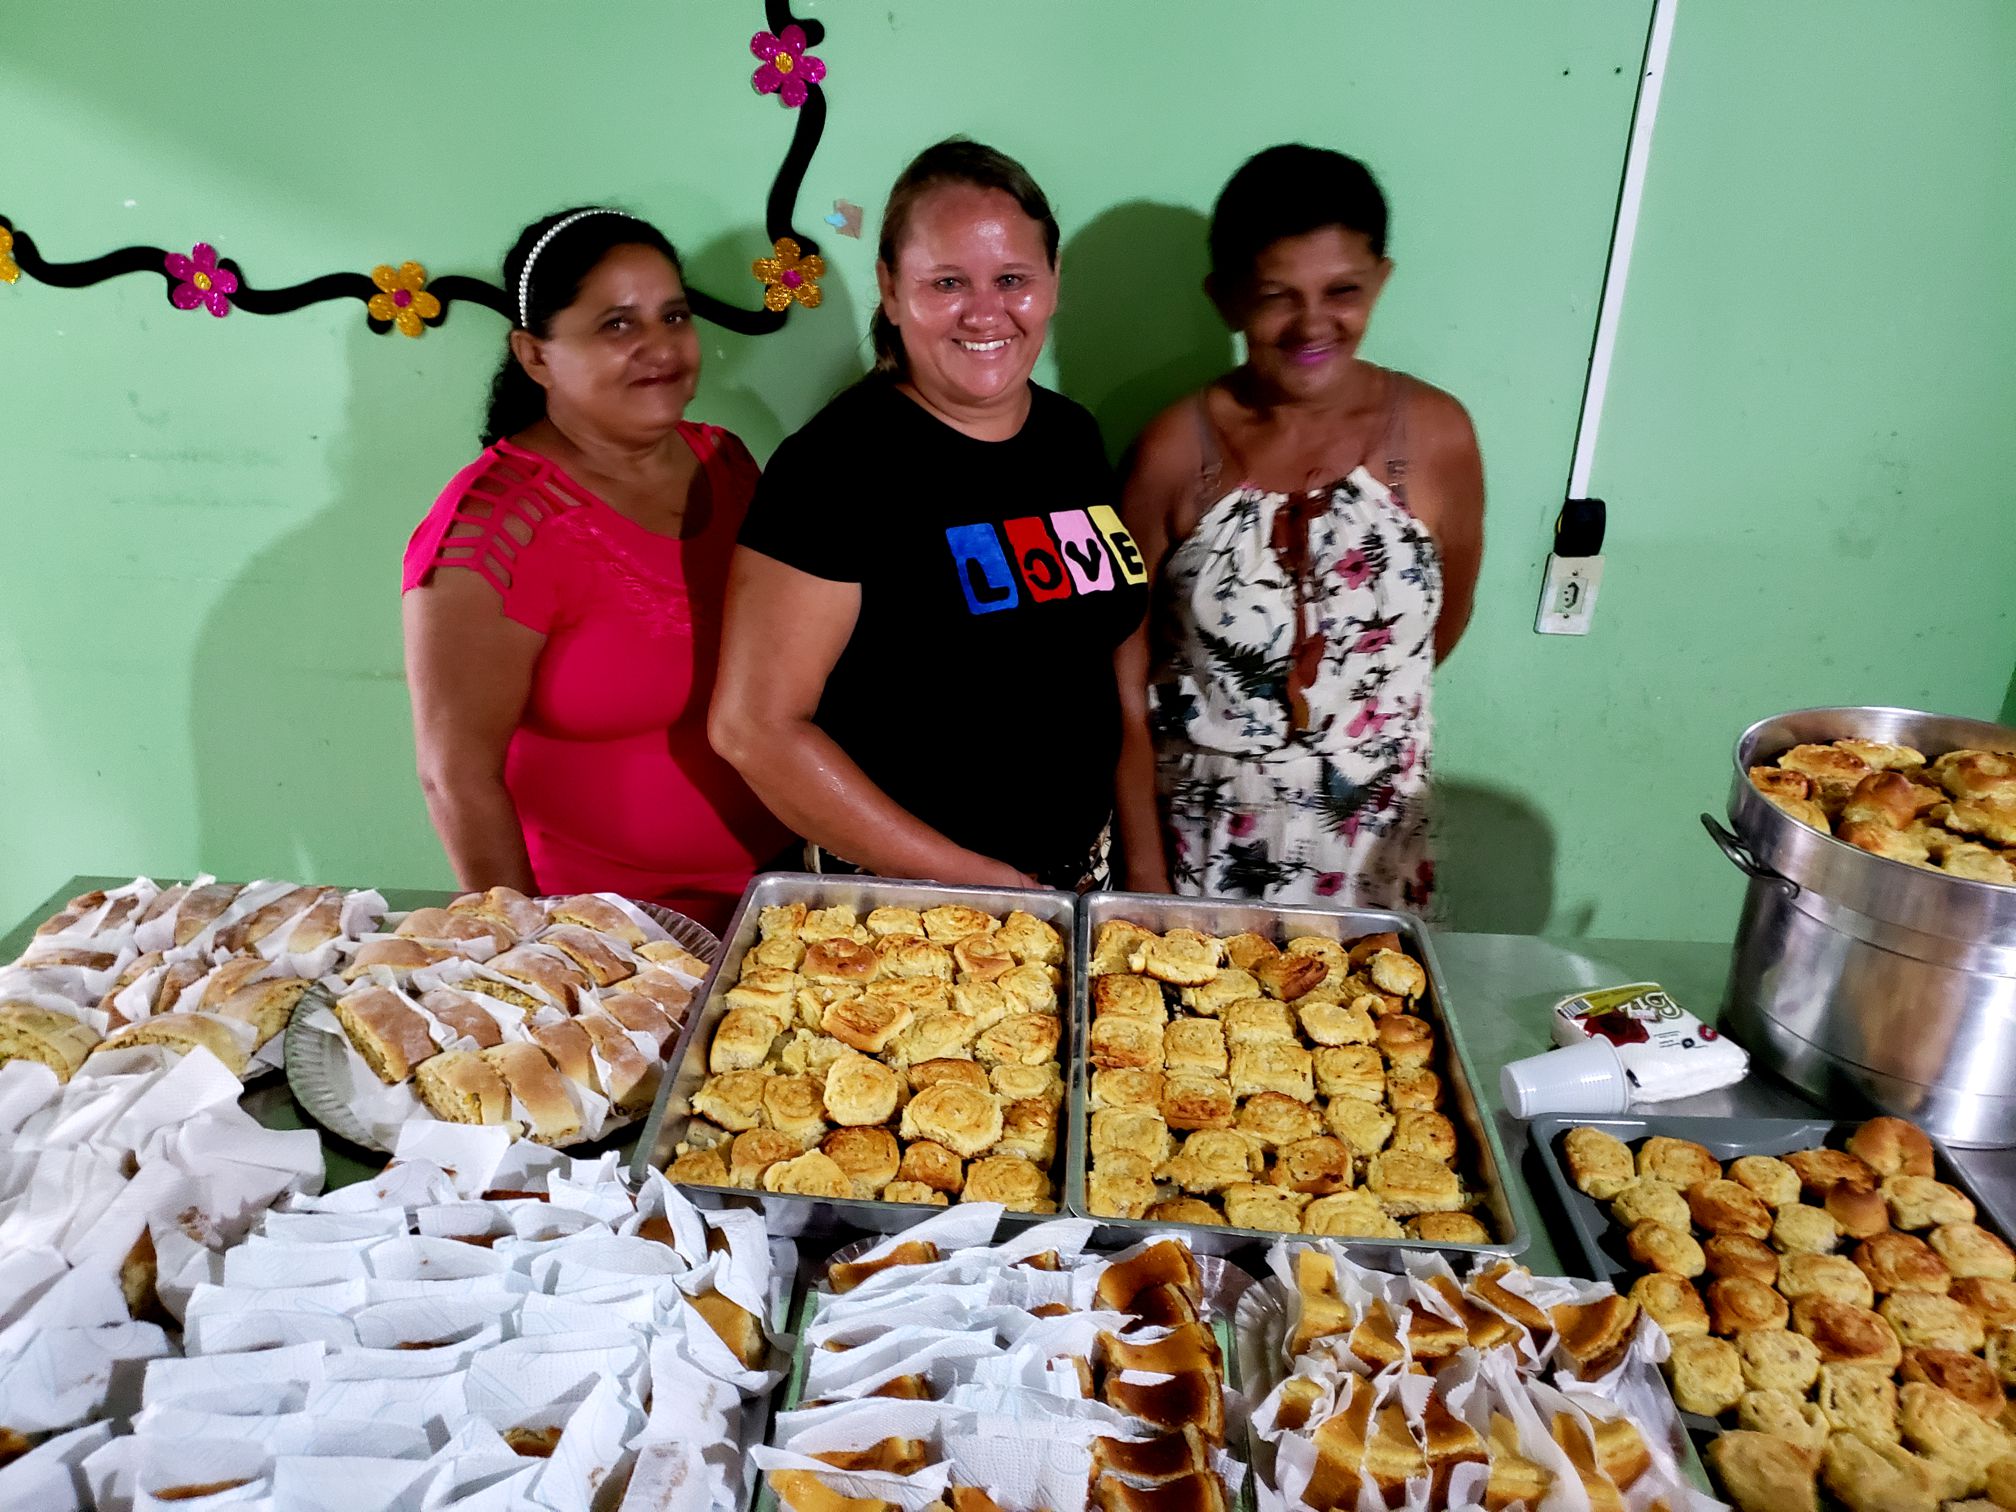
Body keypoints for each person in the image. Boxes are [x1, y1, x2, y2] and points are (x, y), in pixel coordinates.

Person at [711, 139, 1148, 890]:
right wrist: (981, 883)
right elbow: (754, 730)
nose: (986, 311)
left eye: (1013, 278)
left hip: (1077, 885)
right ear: (889, 287)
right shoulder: (834, 468)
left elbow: (1102, 654)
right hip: (909, 912)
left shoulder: (1071, 436)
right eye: (947, 281)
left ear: (1052, 283)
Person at [1114, 145, 1485, 911]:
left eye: (1342, 290)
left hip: (1376, 847)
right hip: (1205, 842)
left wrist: (1350, 728)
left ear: (1380, 280)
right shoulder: (1171, 451)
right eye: (1278, 295)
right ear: (1227, 299)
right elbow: (1118, 675)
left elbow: (1442, 624)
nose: (1313, 323)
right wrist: (1146, 881)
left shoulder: (1438, 436)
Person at [401, 206, 787, 932]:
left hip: (776, 902)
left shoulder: (728, 463)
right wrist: (528, 955)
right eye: (617, 324)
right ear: (534, 354)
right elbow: (455, 776)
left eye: (674, 317)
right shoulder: (491, 533)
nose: (660, 347)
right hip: (609, 937)